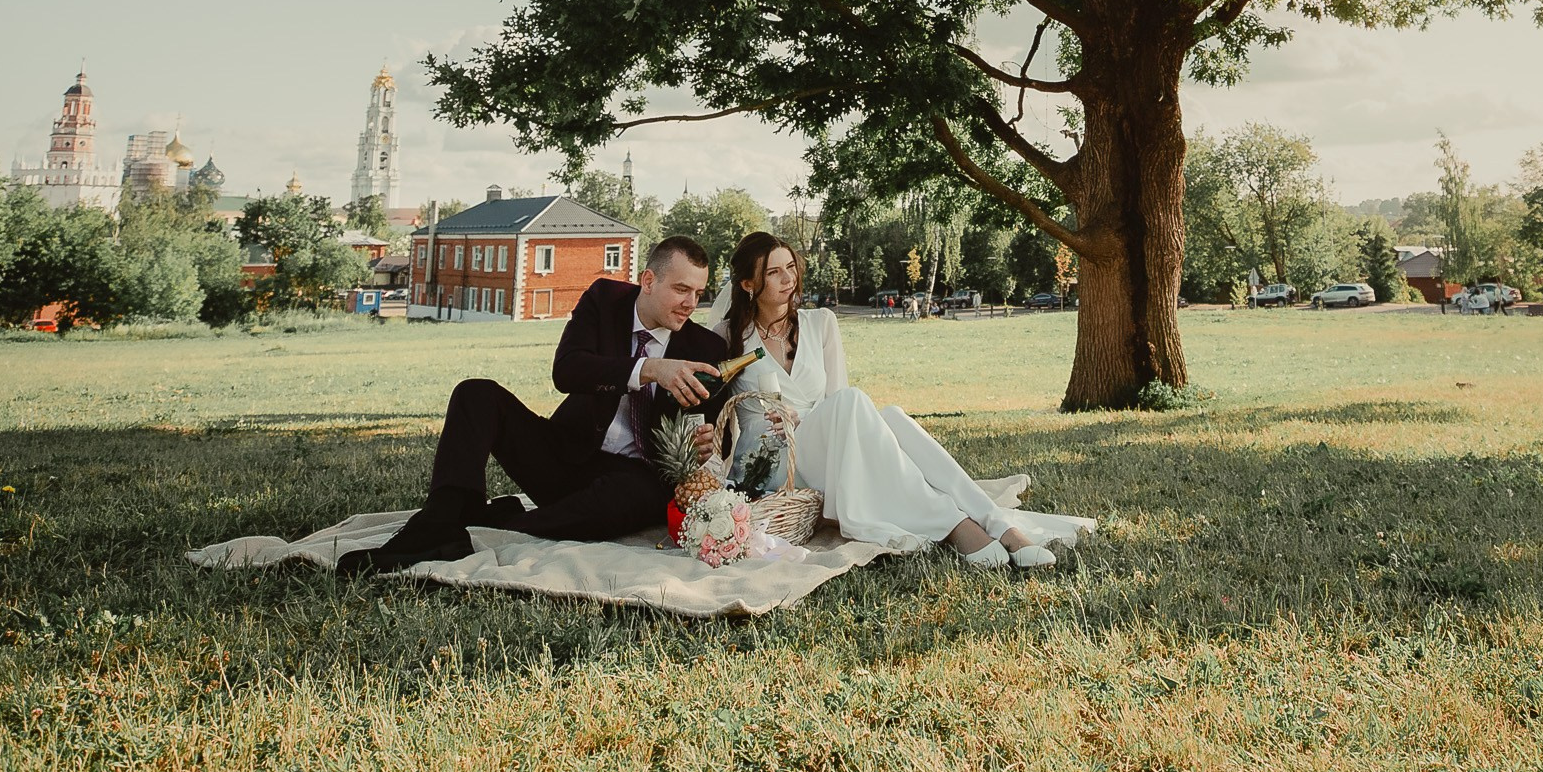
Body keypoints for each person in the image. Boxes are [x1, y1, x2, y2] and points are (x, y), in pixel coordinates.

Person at [337, 235, 731, 576]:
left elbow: (709, 431)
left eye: (698, 293)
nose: (690, 303)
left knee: (638, 497)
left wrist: (706, 441)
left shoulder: (706, 347)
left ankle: (498, 525)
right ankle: (443, 517)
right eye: (682, 290)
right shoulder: (604, 299)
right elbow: (567, 370)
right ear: (648, 280)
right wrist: (648, 369)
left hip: (631, 478)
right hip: (564, 454)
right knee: (476, 393)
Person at [716, 231, 1056, 569]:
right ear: (748, 284)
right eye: (773, 272)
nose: (788, 278)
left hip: (827, 449)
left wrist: (805, 420)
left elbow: (836, 400)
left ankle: (998, 524)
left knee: (890, 416)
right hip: (776, 465)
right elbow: (717, 414)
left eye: (790, 266)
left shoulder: (820, 323)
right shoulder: (727, 337)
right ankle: (955, 525)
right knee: (853, 403)